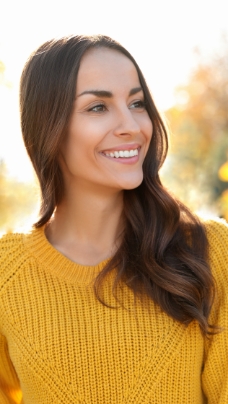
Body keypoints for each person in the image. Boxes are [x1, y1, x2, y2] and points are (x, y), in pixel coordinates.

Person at [0, 35, 227, 404]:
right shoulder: (5, 276)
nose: (132, 125)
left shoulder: (209, 252)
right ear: (48, 127)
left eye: (137, 103)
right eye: (98, 108)